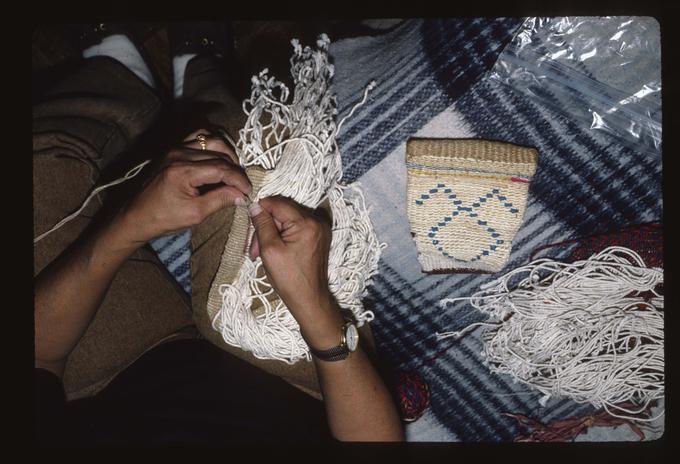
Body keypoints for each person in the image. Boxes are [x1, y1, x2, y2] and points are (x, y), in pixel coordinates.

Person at [34, 22, 404, 444]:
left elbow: (38, 354)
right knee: (255, 153)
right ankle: (199, 70)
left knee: (36, 169)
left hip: (110, 384)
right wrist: (318, 313)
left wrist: (130, 226)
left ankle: (118, 80)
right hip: (297, 388)